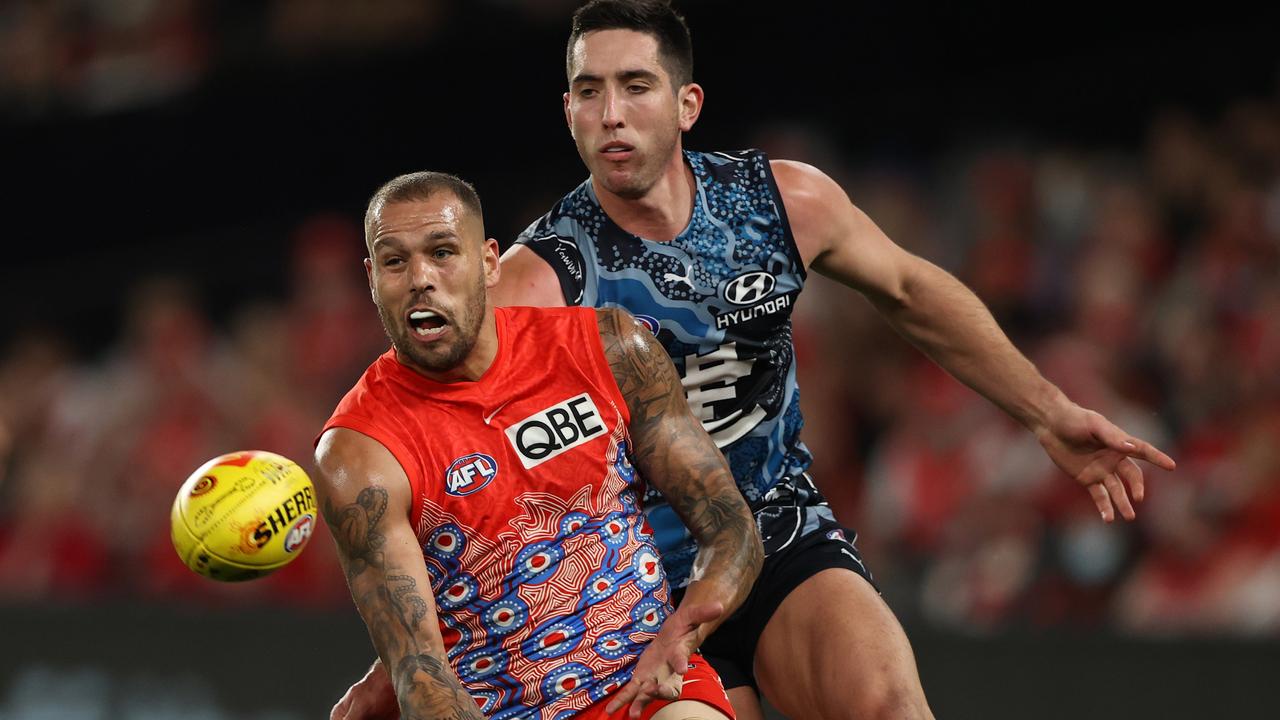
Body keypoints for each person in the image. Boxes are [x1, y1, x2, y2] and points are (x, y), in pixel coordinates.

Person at [332, 3, 1178, 720]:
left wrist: (1047, 412)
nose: (612, 114)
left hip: (773, 529)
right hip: (631, 590)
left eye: (636, 87)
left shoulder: (781, 201)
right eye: (590, 92)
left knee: (891, 704)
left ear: (687, 103)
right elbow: (455, 455)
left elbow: (912, 292)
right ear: (568, 113)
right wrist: (408, 651)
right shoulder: (534, 279)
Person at [315, 171, 762, 720]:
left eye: (442, 252)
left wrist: (682, 634)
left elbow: (730, 527)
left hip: (647, 683)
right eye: (394, 262)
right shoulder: (359, 452)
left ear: (489, 262)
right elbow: (419, 669)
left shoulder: (608, 348)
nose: (420, 280)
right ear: (372, 278)